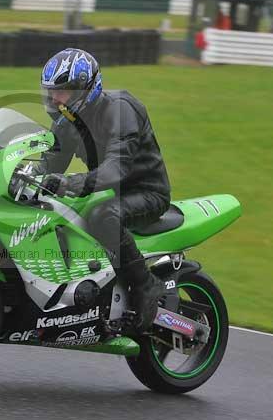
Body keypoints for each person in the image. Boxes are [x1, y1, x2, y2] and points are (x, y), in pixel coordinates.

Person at [35, 48, 171, 330]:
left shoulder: (122, 110)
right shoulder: (68, 121)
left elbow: (115, 169)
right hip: (107, 191)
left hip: (146, 192)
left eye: (61, 92)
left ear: (87, 89)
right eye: (50, 92)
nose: (54, 99)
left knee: (101, 214)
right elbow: (49, 163)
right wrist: (14, 175)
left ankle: (147, 286)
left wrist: (72, 183)